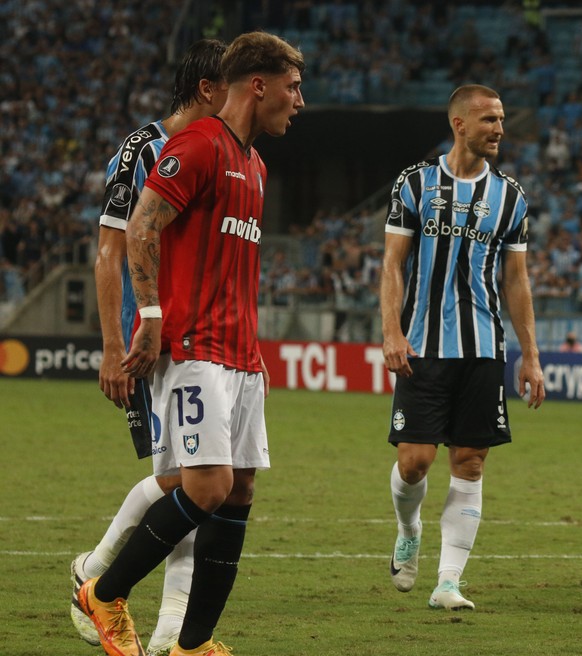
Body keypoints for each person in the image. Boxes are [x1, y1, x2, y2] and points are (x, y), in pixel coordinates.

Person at [77, 31, 304, 656]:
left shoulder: (255, 164)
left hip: (241, 355)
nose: (299, 101)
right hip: (194, 349)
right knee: (204, 487)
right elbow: (142, 224)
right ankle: (102, 591)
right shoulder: (197, 145)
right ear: (257, 85)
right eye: (292, 87)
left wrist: (253, 353)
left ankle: (192, 644)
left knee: (239, 491)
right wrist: (148, 315)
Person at [70, 39, 228, 656]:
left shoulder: (222, 151)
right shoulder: (142, 150)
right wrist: (112, 345)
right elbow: (111, 249)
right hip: (150, 343)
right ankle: (99, 578)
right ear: (209, 89)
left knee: (186, 484)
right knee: (185, 484)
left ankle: (169, 635)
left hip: (197, 340)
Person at [381, 84, 546, 611]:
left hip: (483, 348)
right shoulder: (416, 183)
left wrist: (531, 354)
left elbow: (516, 281)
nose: (499, 128)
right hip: (423, 346)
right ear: (459, 125)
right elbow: (392, 265)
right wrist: (391, 330)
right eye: (489, 120)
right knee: (415, 462)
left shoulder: (511, 196)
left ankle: (448, 582)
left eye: (501, 120)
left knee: (470, 462)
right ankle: (409, 530)